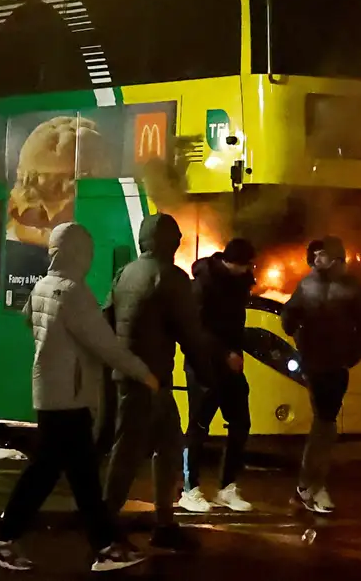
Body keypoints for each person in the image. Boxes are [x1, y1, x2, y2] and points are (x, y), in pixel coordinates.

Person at [0, 223, 157, 573]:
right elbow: (106, 345)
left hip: (50, 391)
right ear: (79, 253)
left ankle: (102, 545)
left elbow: (28, 320)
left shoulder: (44, 285)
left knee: (69, 475)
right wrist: (144, 373)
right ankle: (6, 541)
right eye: (87, 252)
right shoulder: (73, 292)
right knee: (63, 476)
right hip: (69, 397)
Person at [103, 213, 222, 552]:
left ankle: (164, 523)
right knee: (130, 451)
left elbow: (107, 317)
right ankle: (108, 524)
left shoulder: (125, 273)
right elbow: (190, 333)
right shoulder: (171, 277)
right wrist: (207, 374)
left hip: (132, 375)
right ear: (170, 243)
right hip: (150, 378)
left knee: (167, 446)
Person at [280, 236, 361, 514]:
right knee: (325, 424)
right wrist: (299, 335)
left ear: (336, 259)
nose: (315, 260)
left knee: (325, 424)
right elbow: (289, 316)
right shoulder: (307, 285)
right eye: (315, 255)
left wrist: (352, 355)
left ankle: (307, 487)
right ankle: (311, 486)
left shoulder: (352, 289)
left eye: (321, 255)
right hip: (315, 364)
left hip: (336, 365)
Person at [179, 238, 257, 513]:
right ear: (231, 262)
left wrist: (235, 352)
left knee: (240, 422)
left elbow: (235, 324)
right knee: (198, 427)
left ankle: (228, 487)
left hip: (230, 366)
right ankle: (190, 490)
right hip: (204, 366)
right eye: (247, 264)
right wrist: (226, 353)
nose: (250, 270)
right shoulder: (204, 283)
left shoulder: (241, 282)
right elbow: (197, 329)